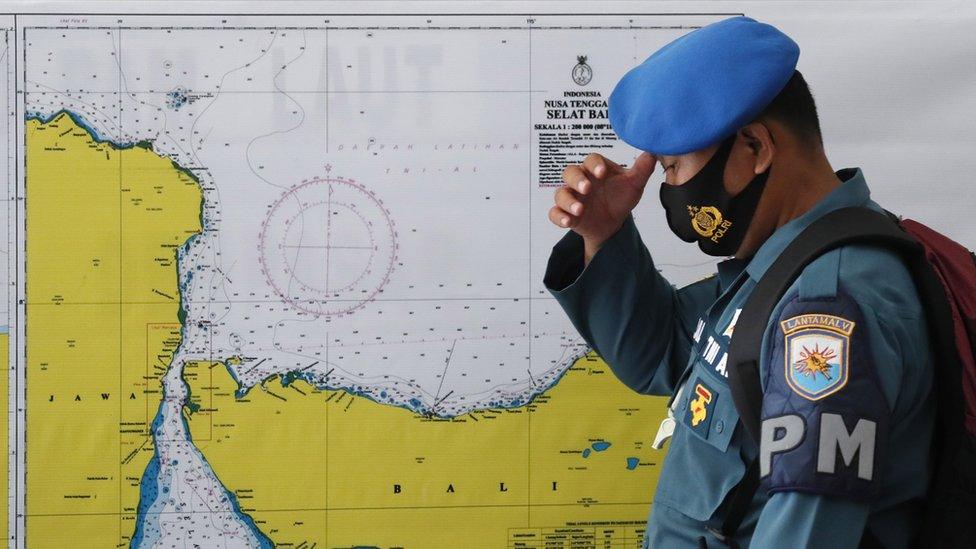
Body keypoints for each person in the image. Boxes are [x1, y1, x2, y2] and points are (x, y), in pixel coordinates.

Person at [543, 16, 935, 548]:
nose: (669, 190)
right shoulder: (780, 268)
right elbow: (658, 353)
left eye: (675, 167)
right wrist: (604, 235)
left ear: (755, 147)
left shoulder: (828, 310)